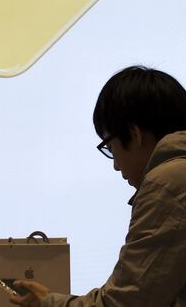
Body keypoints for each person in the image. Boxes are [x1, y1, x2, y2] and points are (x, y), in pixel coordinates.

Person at [11, 66, 186, 307]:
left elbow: (126, 302)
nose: (115, 165)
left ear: (135, 134)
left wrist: (48, 302)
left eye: (111, 148)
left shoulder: (168, 183)